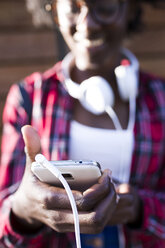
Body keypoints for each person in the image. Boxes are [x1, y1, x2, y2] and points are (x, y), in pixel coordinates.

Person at [0, 0, 165, 247]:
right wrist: (23, 211)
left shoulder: (161, 100)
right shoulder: (28, 97)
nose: (87, 24)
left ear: (130, 9)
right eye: (73, 8)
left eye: (106, 6)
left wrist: (140, 209)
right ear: (54, 10)